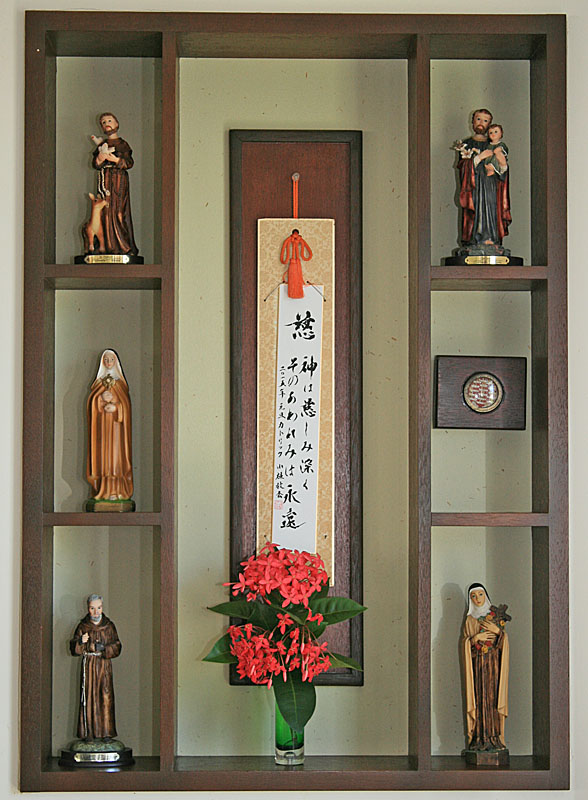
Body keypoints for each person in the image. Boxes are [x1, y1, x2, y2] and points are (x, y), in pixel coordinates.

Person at [462, 583, 509, 753]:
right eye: (473, 596)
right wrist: (475, 639)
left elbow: (503, 643)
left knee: (493, 698)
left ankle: (495, 738)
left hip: (494, 665)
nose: (477, 599)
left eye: (480, 594)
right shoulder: (470, 620)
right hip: (478, 667)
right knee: (480, 699)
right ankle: (480, 738)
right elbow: (465, 643)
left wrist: (498, 632)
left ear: (486, 596)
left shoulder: (494, 617)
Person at [456, 109, 512, 250]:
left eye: (485, 121)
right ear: (473, 121)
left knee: (491, 211)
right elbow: (463, 167)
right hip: (474, 188)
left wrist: (502, 167)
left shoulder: (494, 145)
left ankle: (492, 239)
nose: (481, 123)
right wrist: (479, 157)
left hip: (491, 187)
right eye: (478, 119)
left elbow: (503, 169)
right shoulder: (466, 144)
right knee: (475, 213)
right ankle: (474, 240)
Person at [70, 594, 122, 740]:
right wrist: (80, 642)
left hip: (104, 666)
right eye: (92, 608)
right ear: (88, 608)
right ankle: (88, 733)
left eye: (99, 608)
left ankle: (106, 732)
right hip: (89, 665)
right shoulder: (83, 626)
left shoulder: (109, 626)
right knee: (88, 697)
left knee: (105, 697)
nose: (96, 612)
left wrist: (105, 648)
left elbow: (117, 646)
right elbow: (74, 648)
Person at [86, 349, 133, 502]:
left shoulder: (120, 384)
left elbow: (126, 406)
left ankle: (118, 490)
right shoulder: (99, 384)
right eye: (106, 360)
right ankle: (102, 489)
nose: (108, 362)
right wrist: (100, 400)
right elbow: (92, 405)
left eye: (111, 359)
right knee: (103, 458)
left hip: (117, 430)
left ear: (115, 362)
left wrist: (116, 408)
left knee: (116, 458)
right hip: (102, 429)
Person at [90, 112, 139, 256]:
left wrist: (115, 160)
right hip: (105, 180)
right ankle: (104, 247)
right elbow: (95, 164)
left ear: (116, 124)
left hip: (118, 181)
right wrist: (100, 159)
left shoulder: (123, 144)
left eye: (109, 121)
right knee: (104, 212)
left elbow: (129, 163)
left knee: (118, 212)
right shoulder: (102, 145)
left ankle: (122, 246)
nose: (107, 124)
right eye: (104, 122)